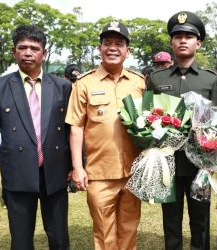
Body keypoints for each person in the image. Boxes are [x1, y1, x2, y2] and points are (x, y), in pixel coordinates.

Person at [65, 20, 145, 250]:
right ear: (99, 49)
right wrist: (78, 168)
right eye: (107, 43)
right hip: (99, 173)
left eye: (119, 43)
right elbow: (76, 127)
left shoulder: (139, 82)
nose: (112, 47)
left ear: (127, 51)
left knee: (129, 228)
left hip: (133, 171)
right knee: (103, 231)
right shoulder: (84, 83)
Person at [147, 11, 217, 250]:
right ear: (171, 42)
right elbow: (146, 118)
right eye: (177, 35)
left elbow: (216, 123)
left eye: (188, 36)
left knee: (200, 221)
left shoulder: (210, 80)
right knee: (171, 221)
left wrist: (211, 159)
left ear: (197, 43)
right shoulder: (156, 79)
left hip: (199, 166)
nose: (182, 40)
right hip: (167, 162)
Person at [0, 24, 72, 250]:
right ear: (14, 52)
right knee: (20, 239)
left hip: (55, 173)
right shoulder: (0, 86)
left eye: (34, 48)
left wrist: (76, 166)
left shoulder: (63, 87)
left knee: (59, 236)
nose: (28, 52)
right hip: (17, 173)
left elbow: (73, 130)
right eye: (22, 47)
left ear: (44, 53)